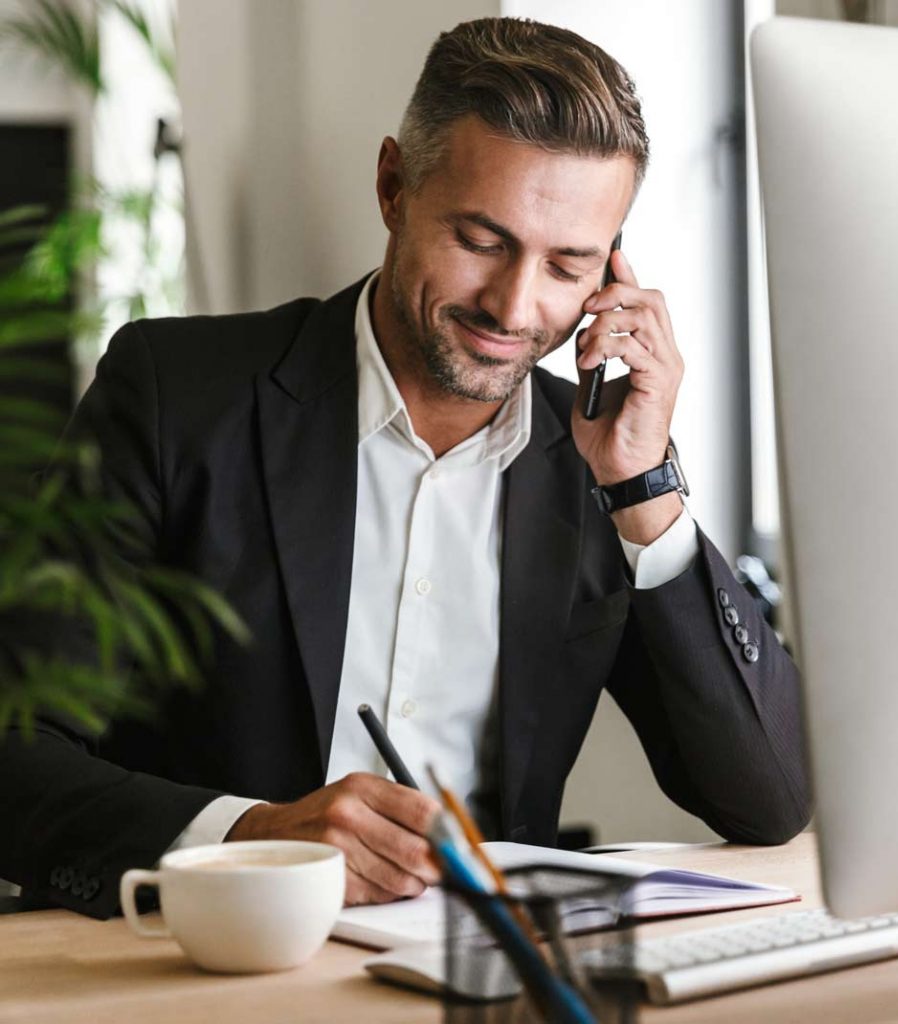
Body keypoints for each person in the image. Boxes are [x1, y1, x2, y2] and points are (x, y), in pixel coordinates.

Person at [0, 17, 809, 919]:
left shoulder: (599, 463)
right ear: (393, 186)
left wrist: (644, 491)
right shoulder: (173, 395)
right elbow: (17, 750)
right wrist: (252, 837)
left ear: (610, 270)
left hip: (479, 974)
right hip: (205, 959)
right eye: (481, 240)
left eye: (566, 264)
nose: (514, 306)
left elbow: (767, 798)